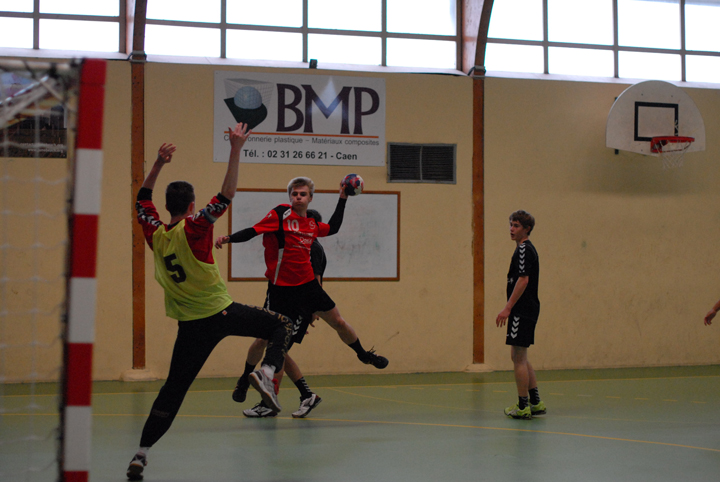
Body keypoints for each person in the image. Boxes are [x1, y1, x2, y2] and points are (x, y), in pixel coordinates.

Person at [126, 123, 293, 481]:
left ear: (167, 207)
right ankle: (266, 372)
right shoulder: (195, 228)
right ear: (191, 206)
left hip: (190, 327)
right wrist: (235, 148)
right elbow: (226, 194)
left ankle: (141, 454)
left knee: (174, 389)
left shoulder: (155, 234)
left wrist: (158, 164)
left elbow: (141, 200)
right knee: (281, 324)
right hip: (222, 312)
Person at [215, 176, 389, 417]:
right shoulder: (280, 214)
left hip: (307, 287)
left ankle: (363, 355)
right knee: (273, 344)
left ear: (310, 198)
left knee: (338, 321)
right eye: (295, 194)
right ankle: (255, 387)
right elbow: (253, 231)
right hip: (281, 291)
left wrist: (343, 198)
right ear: (290, 197)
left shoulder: (311, 225)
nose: (298, 197)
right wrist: (229, 238)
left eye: (303, 194)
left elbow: (334, 227)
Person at [225, 209, 326, 419]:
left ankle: (270, 402)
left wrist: (311, 311)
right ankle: (248, 381)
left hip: (299, 307)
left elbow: (315, 281)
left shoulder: (313, 248)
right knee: (265, 342)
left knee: (277, 351)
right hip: (280, 300)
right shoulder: (288, 240)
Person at [496, 210, 546, 420]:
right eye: (511, 224)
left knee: (518, 358)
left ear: (527, 229)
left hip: (522, 309)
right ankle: (535, 402)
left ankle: (523, 405)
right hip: (525, 309)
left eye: (516, 226)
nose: (511, 229)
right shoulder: (523, 249)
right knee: (520, 357)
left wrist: (508, 307)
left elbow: (523, 280)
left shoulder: (524, 249)